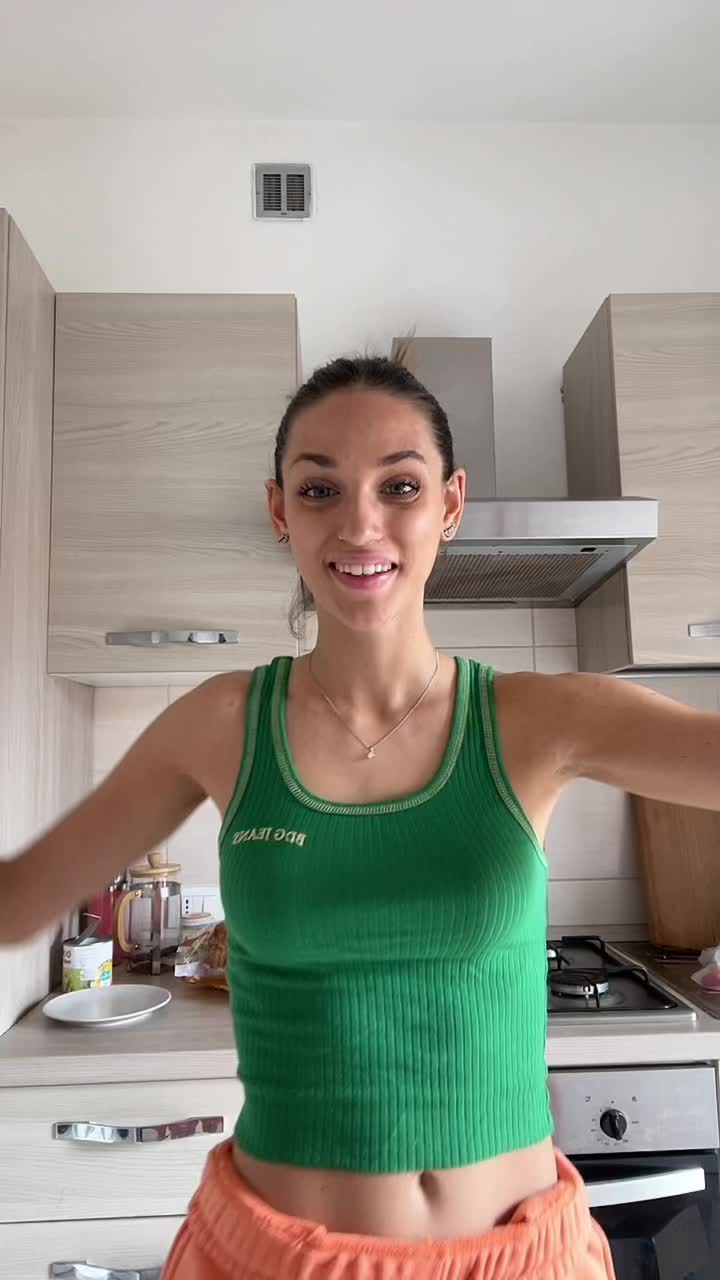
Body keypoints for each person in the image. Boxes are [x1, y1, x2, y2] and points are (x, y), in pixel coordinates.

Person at [2, 353, 720, 1280]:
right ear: (280, 512)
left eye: (400, 486)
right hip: (273, 1259)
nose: (359, 524)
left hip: (523, 1259)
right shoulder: (223, 722)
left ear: (450, 504)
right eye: (319, 490)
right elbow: (21, 899)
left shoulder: (539, 719)